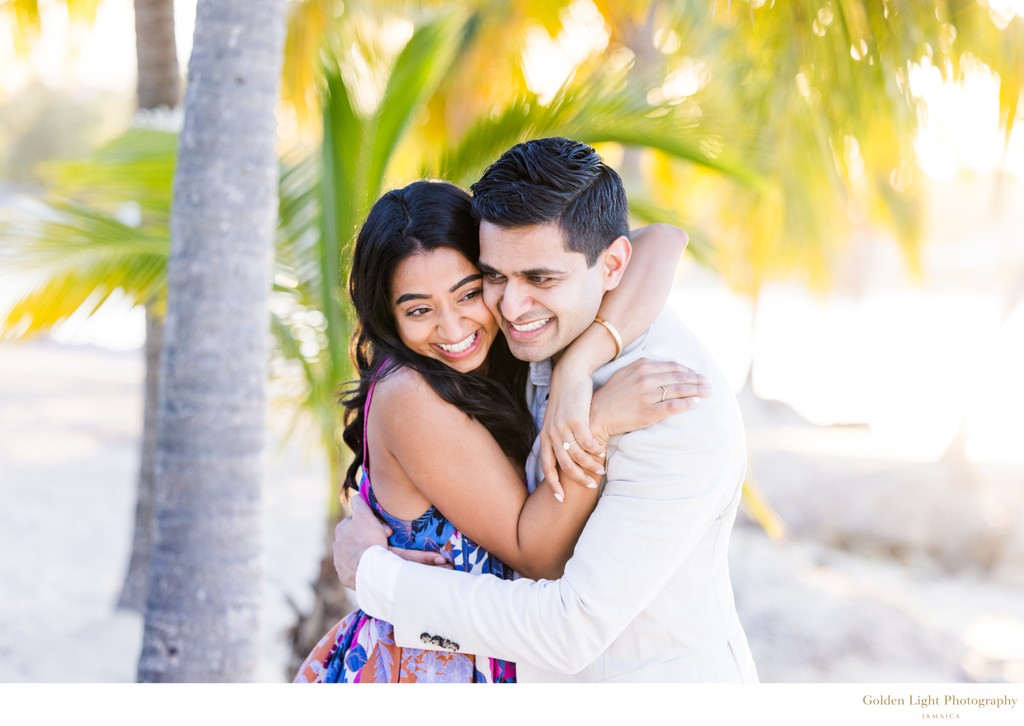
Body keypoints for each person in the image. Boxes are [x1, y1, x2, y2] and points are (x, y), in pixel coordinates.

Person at [334, 137, 759, 683]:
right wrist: (580, 381)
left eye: (540, 278)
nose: (509, 307)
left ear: (612, 265)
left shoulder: (672, 408)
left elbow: (567, 629)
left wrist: (374, 575)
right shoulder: (533, 341)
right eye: (493, 276)